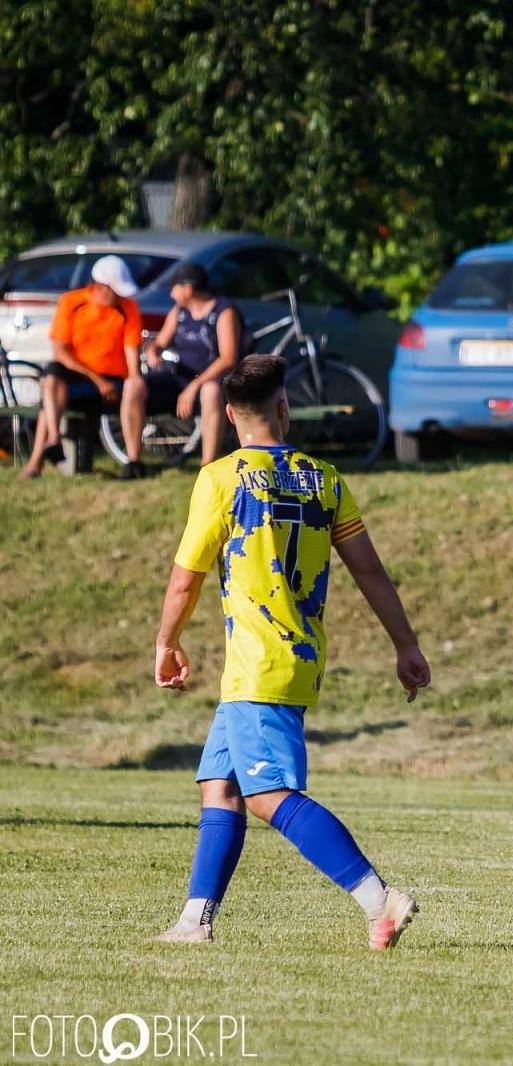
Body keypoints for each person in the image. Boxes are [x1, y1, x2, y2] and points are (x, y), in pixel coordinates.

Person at [152, 354, 432, 949]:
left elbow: (186, 578)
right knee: (219, 786)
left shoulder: (221, 479)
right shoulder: (325, 479)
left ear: (228, 416)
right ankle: (196, 919)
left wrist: (167, 641)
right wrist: (404, 644)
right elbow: (371, 572)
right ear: (285, 409)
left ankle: (378, 899)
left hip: (260, 662)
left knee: (267, 794)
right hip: (293, 656)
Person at [20, 255, 142, 478]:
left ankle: (37, 460)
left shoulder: (128, 308)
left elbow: (132, 351)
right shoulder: (71, 302)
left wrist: (133, 379)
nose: (118, 297)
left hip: (113, 382)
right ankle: (52, 440)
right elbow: (60, 351)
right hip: (81, 376)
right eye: (115, 291)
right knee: (52, 377)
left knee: (50, 397)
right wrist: (97, 379)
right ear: (101, 287)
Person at [118, 263, 243, 478]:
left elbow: (228, 358)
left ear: (188, 289)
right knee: (133, 385)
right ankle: (133, 461)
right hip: (180, 380)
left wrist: (194, 385)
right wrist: (154, 350)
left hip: (212, 381)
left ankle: (207, 466)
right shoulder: (179, 312)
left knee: (210, 391)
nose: (171, 293)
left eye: (174, 287)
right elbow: (161, 341)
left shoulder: (223, 312)